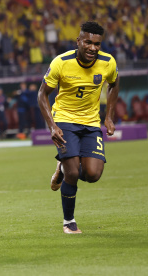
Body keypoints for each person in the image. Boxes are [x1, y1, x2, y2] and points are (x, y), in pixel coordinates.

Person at [37, 21, 119, 234]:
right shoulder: (61, 63)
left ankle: (62, 168)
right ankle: (69, 221)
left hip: (91, 123)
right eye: (88, 42)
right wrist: (52, 126)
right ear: (79, 41)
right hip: (64, 120)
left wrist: (108, 117)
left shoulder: (108, 62)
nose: (93, 47)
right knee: (74, 172)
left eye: (97, 44)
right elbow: (42, 94)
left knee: (93, 174)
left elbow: (115, 83)